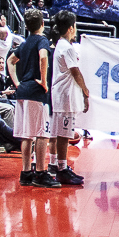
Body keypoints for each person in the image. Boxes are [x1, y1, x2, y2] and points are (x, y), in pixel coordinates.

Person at [10, 9, 57, 187]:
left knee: (26, 135)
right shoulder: (42, 40)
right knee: (42, 134)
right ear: (42, 24)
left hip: (23, 92)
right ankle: (41, 172)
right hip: (36, 93)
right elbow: (43, 57)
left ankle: (25, 172)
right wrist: (44, 81)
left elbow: (10, 61)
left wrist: (17, 83)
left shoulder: (24, 43)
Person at [48, 10, 88, 187]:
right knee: (64, 134)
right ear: (71, 28)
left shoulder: (61, 45)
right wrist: (86, 90)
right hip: (65, 96)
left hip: (60, 94)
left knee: (58, 133)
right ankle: (62, 168)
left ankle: (54, 163)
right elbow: (76, 72)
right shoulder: (67, 47)